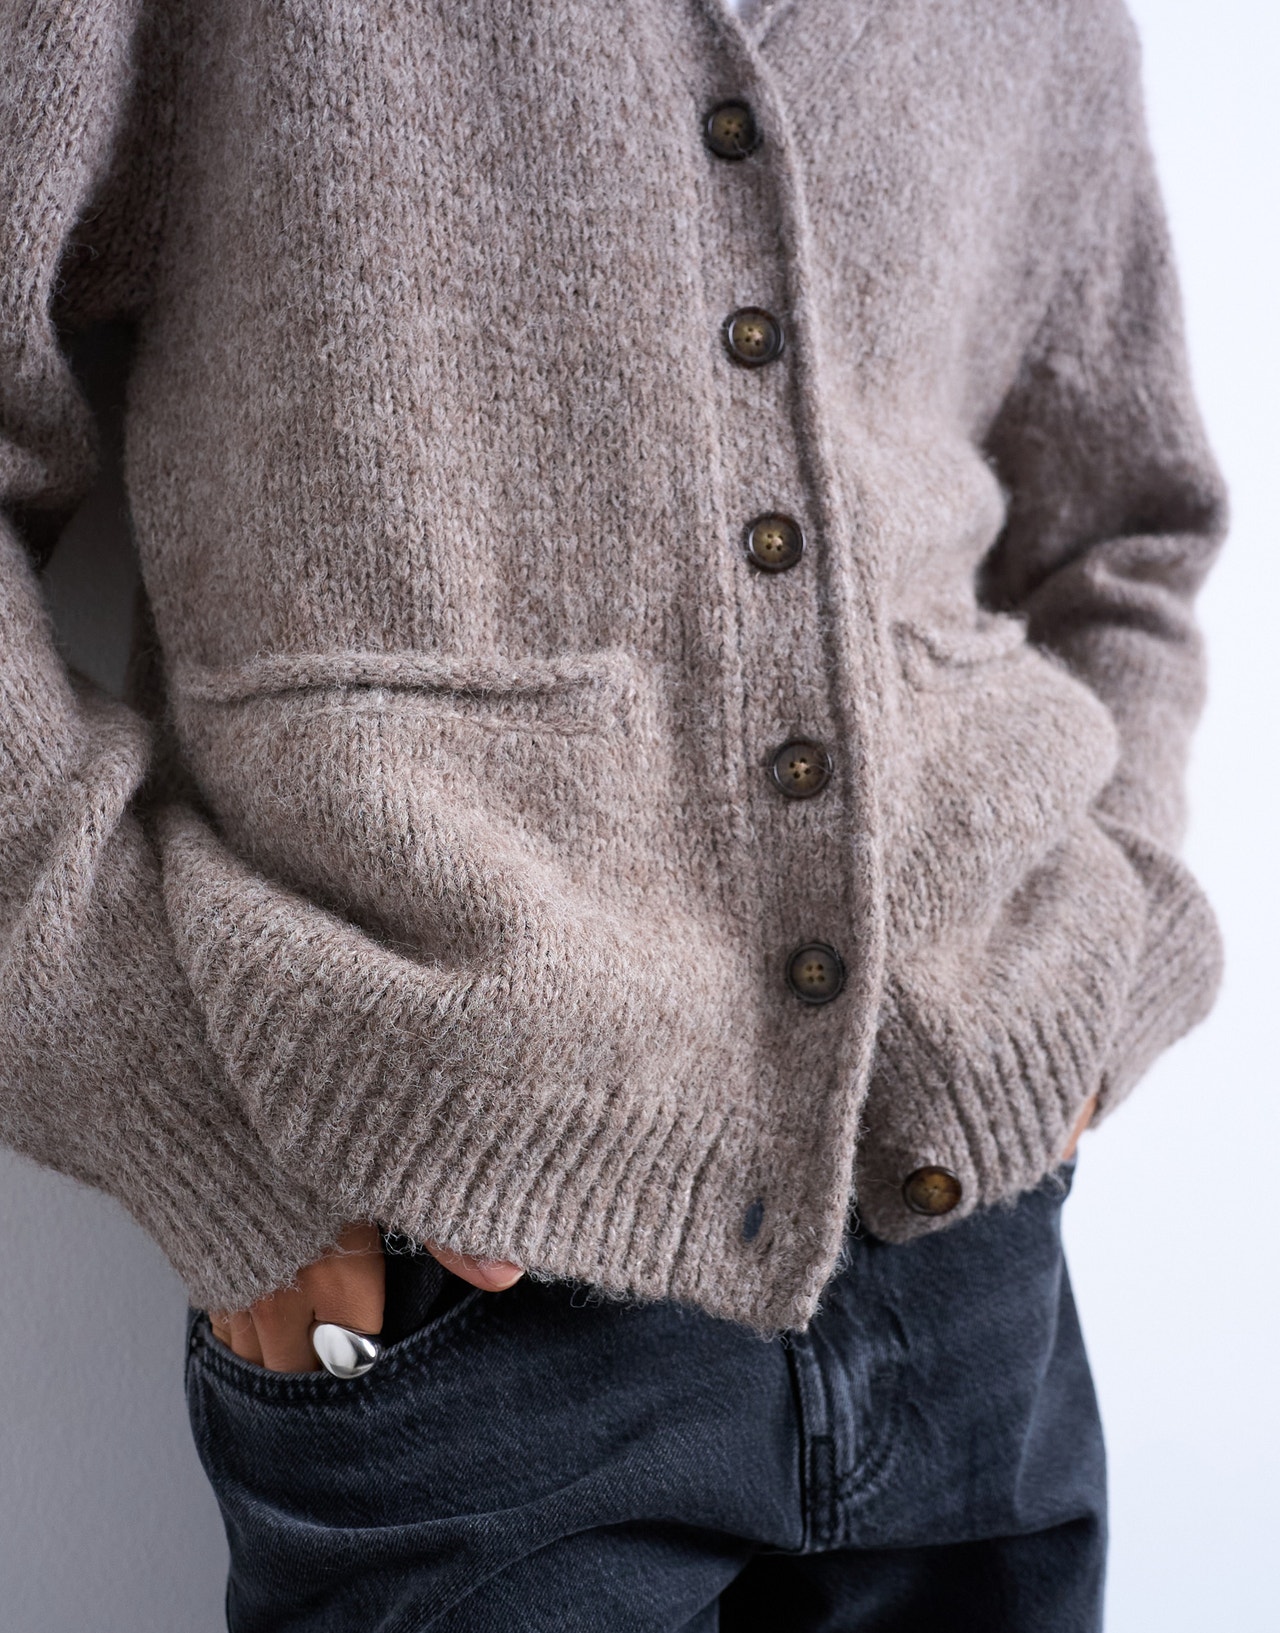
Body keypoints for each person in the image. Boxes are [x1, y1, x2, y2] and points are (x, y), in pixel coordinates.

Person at [0, 0, 1224, 1627]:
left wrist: (1101, 971)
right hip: (455, 1307)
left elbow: (1126, 537)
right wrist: (180, 1114)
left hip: (974, 1270)